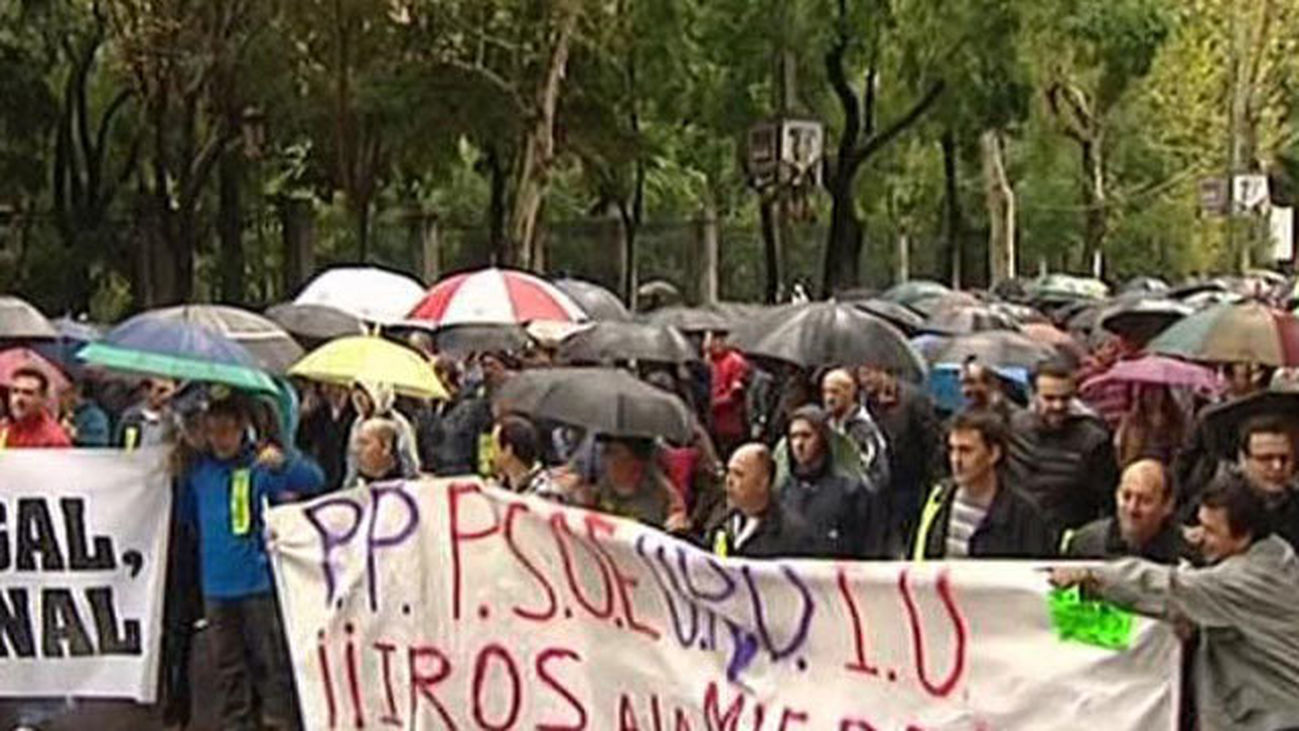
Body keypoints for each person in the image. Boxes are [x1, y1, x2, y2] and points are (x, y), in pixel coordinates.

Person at [1051, 475, 1299, 730]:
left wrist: (1093, 577)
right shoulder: (1277, 553)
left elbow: (1169, 587)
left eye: (1210, 530)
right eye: (1199, 525)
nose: (1198, 536)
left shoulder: (1247, 581)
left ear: (1243, 536)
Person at [177, 395, 323, 731]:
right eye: (213, 431)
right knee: (227, 666)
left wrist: (284, 462)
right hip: (215, 585)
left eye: (227, 430)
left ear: (243, 429)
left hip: (257, 582)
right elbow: (187, 517)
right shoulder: (199, 471)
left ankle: (277, 722)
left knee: (268, 663)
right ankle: (236, 724)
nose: (220, 439)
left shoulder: (259, 466)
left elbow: (313, 480)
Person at [912, 409, 1057, 560]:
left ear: (993, 454)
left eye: (966, 451)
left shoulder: (1024, 514)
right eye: (952, 450)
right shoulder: (939, 497)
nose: (956, 460)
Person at [1006, 358, 1118, 530]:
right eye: (1049, 399)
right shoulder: (1013, 429)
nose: (1058, 406)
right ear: (1034, 395)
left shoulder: (1094, 441)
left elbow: (1107, 499)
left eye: (1065, 398)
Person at [777, 405, 885, 558]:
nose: (799, 444)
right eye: (793, 437)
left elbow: (871, 546)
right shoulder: (783, 492)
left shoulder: (852, 491)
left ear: (822, 438)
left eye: (806, 436)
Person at [858, 363, 940, 547]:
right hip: (880, 485)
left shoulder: (913, 400)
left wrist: (934, 483)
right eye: (861, 375)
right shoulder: (865, 404)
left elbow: (932, 442)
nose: (864, 380)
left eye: (868, 373)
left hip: (909, 483)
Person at [706, 443, 817, 558]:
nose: (729, 481)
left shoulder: (793, 534)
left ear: (762, 482)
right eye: (728, 472)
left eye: (738, 474)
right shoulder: (720, 520)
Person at [1062, 458, 1182, 563]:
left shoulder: (1183, 553)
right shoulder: (1084, 544)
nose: (1132, 508)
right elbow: (1064, 589)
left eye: (1145, 500)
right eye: (1126, 496)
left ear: (1167, 505)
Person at [575, 436, 688, 531]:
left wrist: (677, 522)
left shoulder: (661, 492)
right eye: (606, 452)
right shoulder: (603, 487)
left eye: (614, 452)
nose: (607, 459)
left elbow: (678, 518)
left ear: (635, 461)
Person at [1233, 415, 1299, 551]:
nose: (1277, 466)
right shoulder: (1217, 509)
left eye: (1284, 458)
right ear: (1243, 459)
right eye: (1265, 458)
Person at [821, 368, 890, 490]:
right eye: (825, 392)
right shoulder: (826, 425)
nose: (829, 398)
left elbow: (874, 475)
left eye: (835, 392)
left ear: (850, 391)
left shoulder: (863, 431)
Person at [344, 381, 420, 486]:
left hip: (395, 485)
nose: (359, 402)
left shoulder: (399, 423)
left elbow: (408, 460)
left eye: (363, 397)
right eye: (356, 398)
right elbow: (352, 460)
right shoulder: (358, 424)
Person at [491, 414, 565, 502]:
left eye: (494, 446)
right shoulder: (498, 488)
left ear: (508, 450)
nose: (491, 453)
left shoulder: (545, 490)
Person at [296, 382, 355, 490]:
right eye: (332, 388)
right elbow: (302, 443)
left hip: (348, 477)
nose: (336, 393)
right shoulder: (317, 414)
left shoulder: (355, 414)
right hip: (324, 474)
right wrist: (304, 417)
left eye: (342, 388)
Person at [1115, 384, 1189, 467]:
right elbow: (1120, 447)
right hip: (1137, 468)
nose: (1153, 395)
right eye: (1149, 391)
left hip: (1166, 469)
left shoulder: (1175, 419)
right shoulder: (1131, 420)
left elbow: (1182, 446)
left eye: (1157, 391)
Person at [0, 367, 71, 448]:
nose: (19, 398)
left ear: (42, 398)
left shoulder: (54, 440)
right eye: (15, 391)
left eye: (28, 393)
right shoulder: (6, 430)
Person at [706, 330, 750, 458]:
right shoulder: (710, 362)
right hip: (713, 421)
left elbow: (736, 393)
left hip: (730, 421)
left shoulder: (735, 362)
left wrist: (714, 403)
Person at [116, 377, 178, 449]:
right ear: (148, 391)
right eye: (161, 391)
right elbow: (126, 451)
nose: (167, 396)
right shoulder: (132, 418)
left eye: (172, 392)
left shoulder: (177, 419)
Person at [349, 417, 414, 486]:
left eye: (364, 442)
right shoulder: (353, 489)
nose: (356, 449)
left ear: (386, 447)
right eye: (358, 443)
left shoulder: (409, 489)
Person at [959, 358, 1018, 425]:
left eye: (972, 382)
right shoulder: (963, 419)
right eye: (962, 383)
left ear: (993, 384)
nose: (964, 390)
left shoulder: (1016, 420)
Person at [60, 379, 110, 447]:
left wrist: (76, 436)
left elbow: (97, 445)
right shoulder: (58, 415)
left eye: (63, 394)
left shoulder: (94, 416)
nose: (60, 399)